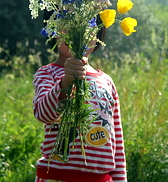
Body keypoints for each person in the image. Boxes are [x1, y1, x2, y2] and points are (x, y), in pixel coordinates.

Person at [32, 12, 127, 182]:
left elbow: (117, 142)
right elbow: (43, 115)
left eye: (87, 27)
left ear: (98, 34)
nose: (77, 33)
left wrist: (119, 179)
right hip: (56, 176)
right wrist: (66, 81)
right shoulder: (48, 74)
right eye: (67, 26)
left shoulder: (106, 81)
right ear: (52, 30)